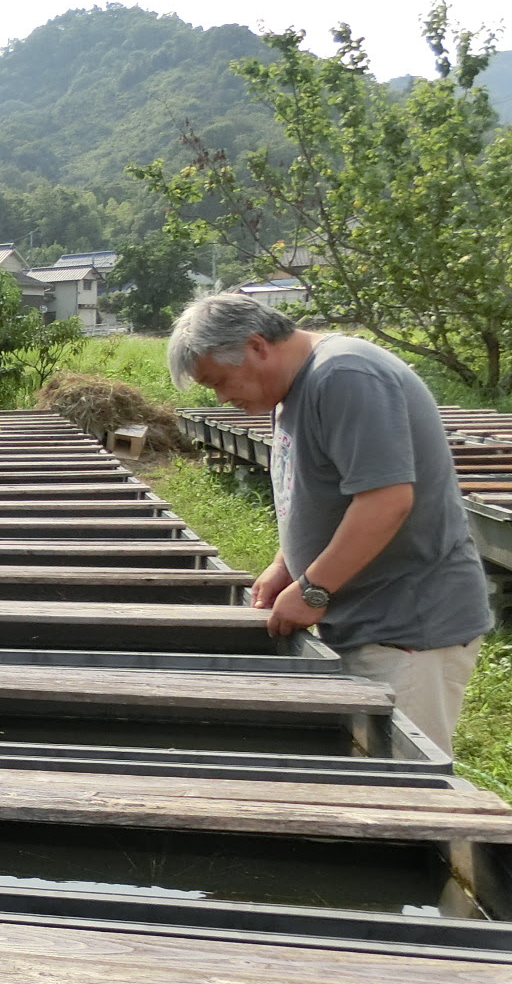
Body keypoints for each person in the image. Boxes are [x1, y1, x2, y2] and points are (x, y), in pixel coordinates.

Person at [166, 293, 490, 752]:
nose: (222, 397)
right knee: (366, 769)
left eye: (221, 381)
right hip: (368, 617)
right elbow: (318, 491)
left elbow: (386, 501)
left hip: (407, 625)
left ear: (258, 346)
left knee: (401, 786)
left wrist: (314, 587)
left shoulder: (344, 375)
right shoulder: (295, 390)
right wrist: (286, 565)